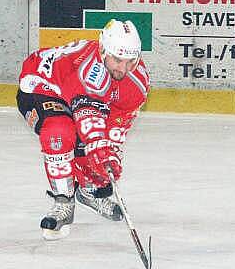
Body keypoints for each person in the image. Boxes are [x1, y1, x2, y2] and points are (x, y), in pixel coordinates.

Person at [17, 19, 150, 240]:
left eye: (130, 61)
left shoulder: (137, 81)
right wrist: (99, 147)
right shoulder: (91, 71)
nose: (123, 69)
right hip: (43, 86)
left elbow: (119, 122)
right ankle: (64, 200)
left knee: (97, 148)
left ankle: (90, 190)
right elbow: (89, 120)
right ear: (103, 50)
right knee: (59, 132)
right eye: (117, 59)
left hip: (77, 96)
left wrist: (112, 155)